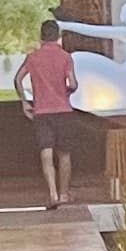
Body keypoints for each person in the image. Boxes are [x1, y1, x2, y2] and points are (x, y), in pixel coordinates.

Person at [11, 16, 80, 208]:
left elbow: (17, 79)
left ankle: (52, 194)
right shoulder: (66, 57)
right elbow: (73, 83)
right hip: (63, 110)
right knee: (64, 154)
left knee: (46, 153)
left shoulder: (33, 57)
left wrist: (24, 102)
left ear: (41, 37)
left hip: (41, 111)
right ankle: (64, 194)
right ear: (58, 36)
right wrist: (67, 91)